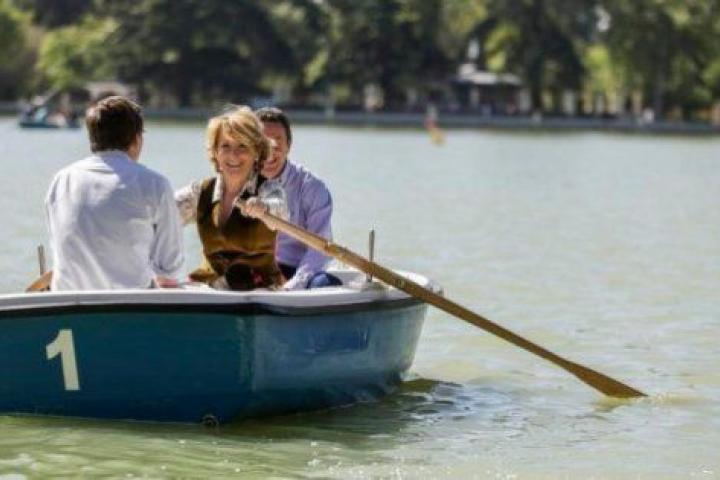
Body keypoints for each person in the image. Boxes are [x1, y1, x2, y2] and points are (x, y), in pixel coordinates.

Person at [45, 96, 183, 290]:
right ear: (137, 138)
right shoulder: (154, 184)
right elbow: (169, 269)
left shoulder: (61, 180)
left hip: (68, 303)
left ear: (92, 138)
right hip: (130, 303)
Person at [175, 106, 289, 290]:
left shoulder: (269, 189)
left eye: (242, 146)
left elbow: (280, 210)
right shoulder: (199, 192)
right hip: (210, 290)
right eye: (225, 146)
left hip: (259, 292)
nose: (233, 155)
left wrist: (264, 208)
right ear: (216, 152)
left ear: (257, 151)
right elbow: (162, 215)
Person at [255, 107, 340, 290]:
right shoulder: (239, 183)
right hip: (257, 270)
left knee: (324, 284)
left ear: (289, 146)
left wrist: (292, 287)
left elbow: (320, 249)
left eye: (277, 143)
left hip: (301, 270)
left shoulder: (312, 187)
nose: (269, 152)